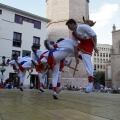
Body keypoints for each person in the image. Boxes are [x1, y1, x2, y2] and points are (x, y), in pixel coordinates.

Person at [66, 19, 99, 93]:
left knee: (88, 65)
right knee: (69, 50)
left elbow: (94, 35)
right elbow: (75, 47)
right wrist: (76, 58)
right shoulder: (73, 34)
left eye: (69, 26)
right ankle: (65, 60)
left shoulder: (83, 27)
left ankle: (90, 83)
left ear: (73, 24)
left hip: (89, 45)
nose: (68, 28)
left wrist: (95, 46)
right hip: (81, 45)